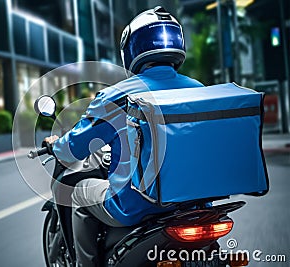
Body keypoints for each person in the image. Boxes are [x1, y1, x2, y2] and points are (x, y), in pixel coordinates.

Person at [44, 6, 204, 267]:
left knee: (77, 194)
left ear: (133, 48)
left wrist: (56, 145)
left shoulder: (118, 96)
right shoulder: (199, 91)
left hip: (138, 205)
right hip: (195, 200)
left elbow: (74, 148)